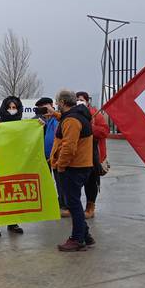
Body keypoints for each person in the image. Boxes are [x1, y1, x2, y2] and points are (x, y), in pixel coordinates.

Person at [50, 89, 95, 252]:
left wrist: (61, 166)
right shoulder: (78, 116)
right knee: (74, 202)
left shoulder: (72, 121)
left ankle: (77, 239)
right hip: (81, 166)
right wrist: (54, 114)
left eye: (57, 103)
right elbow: (66, 121)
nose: (57, 105)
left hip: (73, 168)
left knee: (73, 204)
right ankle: (86, 235)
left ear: (62, 102)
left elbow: (69, 147)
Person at [0, 96, 24, 237]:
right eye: (9, 108)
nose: (12, 110)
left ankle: (12, 222)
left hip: (15, 164)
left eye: (14, 108)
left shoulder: (22, 125)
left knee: (12, 194)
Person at [76, 91, 109, 219]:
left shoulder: (96, 115)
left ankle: (90, 207)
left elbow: (104, 131)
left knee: (91, 182)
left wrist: (88, 127)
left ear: (87, 101)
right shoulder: (74, 114)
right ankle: (74, 207)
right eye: (77, 99)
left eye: (81, 99)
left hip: (93, 155)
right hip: (78, 155)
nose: (79, 101)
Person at [35, 98, 66, 217]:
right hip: (45, 157)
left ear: (52, 105)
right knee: (46, 181)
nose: (45, 109)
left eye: (46, 106)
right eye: (41, 107)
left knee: (60, 182)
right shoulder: (42, 121)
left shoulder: (58, 119)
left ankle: (63, 204)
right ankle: (50, 201)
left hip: (57, 157)